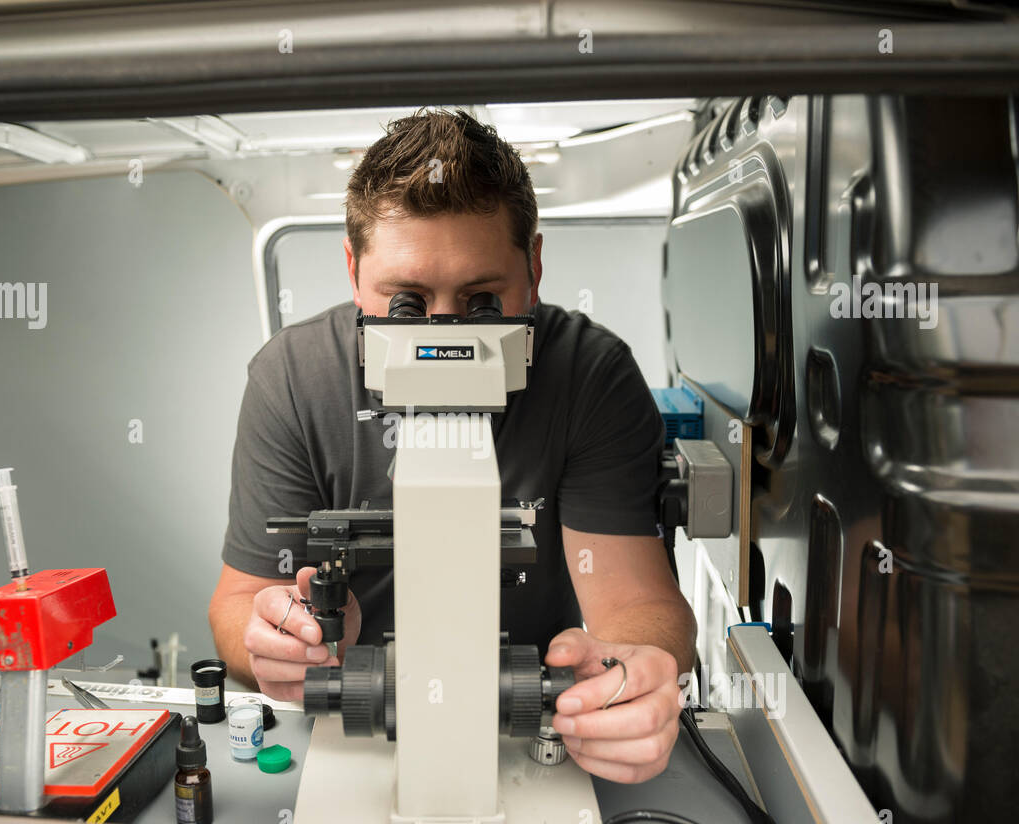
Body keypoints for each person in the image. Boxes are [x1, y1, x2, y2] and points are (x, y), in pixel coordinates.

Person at [210, 108, 696, 784]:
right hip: (353, 725)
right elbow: (239, 604)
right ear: (353, 272)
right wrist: (284, 638)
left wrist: (630, 673)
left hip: (529, 729)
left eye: (481, 301)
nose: (443, 333)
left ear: (534, 267)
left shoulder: (590, 374)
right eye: (406, 302)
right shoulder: (293, 379)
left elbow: (638, 602)